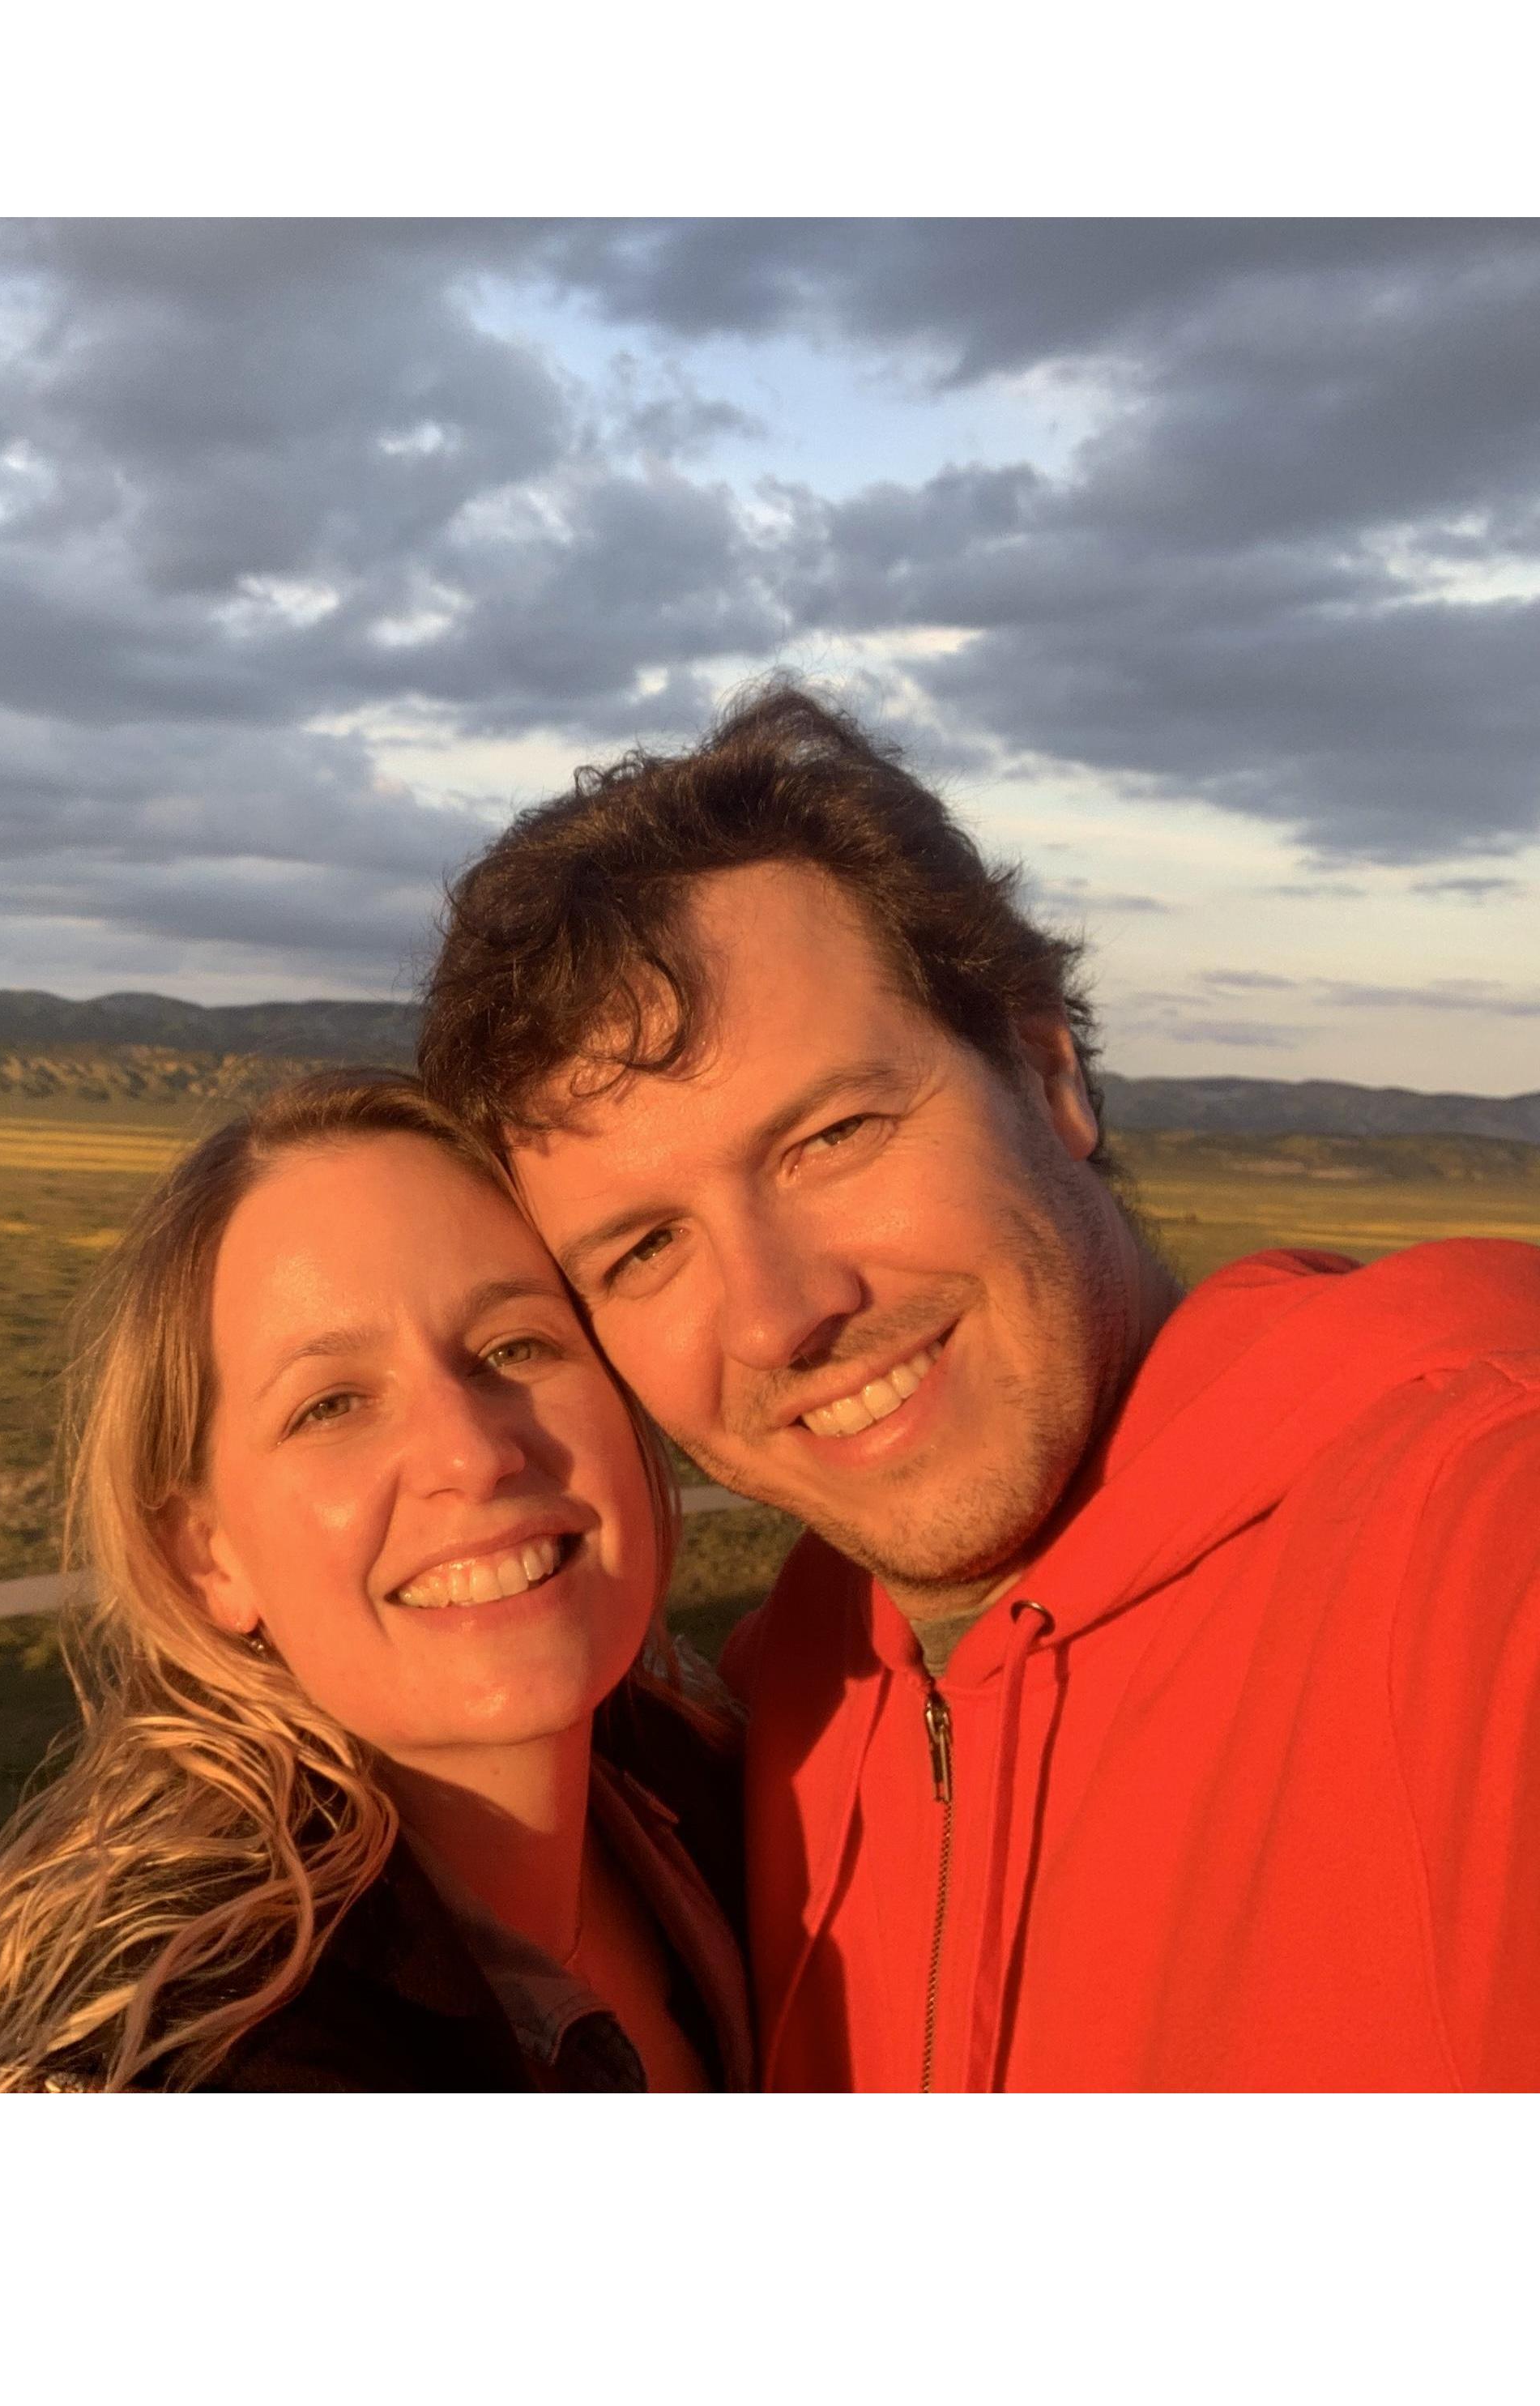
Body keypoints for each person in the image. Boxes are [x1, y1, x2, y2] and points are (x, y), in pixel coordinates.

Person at [417, 682, 1540, 2092]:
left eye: (833, 1134)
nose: (777, 1314)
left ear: (1045, 1071)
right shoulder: (796, 1696)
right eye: (644, 1247)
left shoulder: (1473, 1533)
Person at [0, 1070, 751, 2092]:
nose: (471, 1452)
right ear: (207, 1554)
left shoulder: (744, 1806)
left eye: (514, 1345)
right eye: (332, 1405)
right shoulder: (215, 2056)